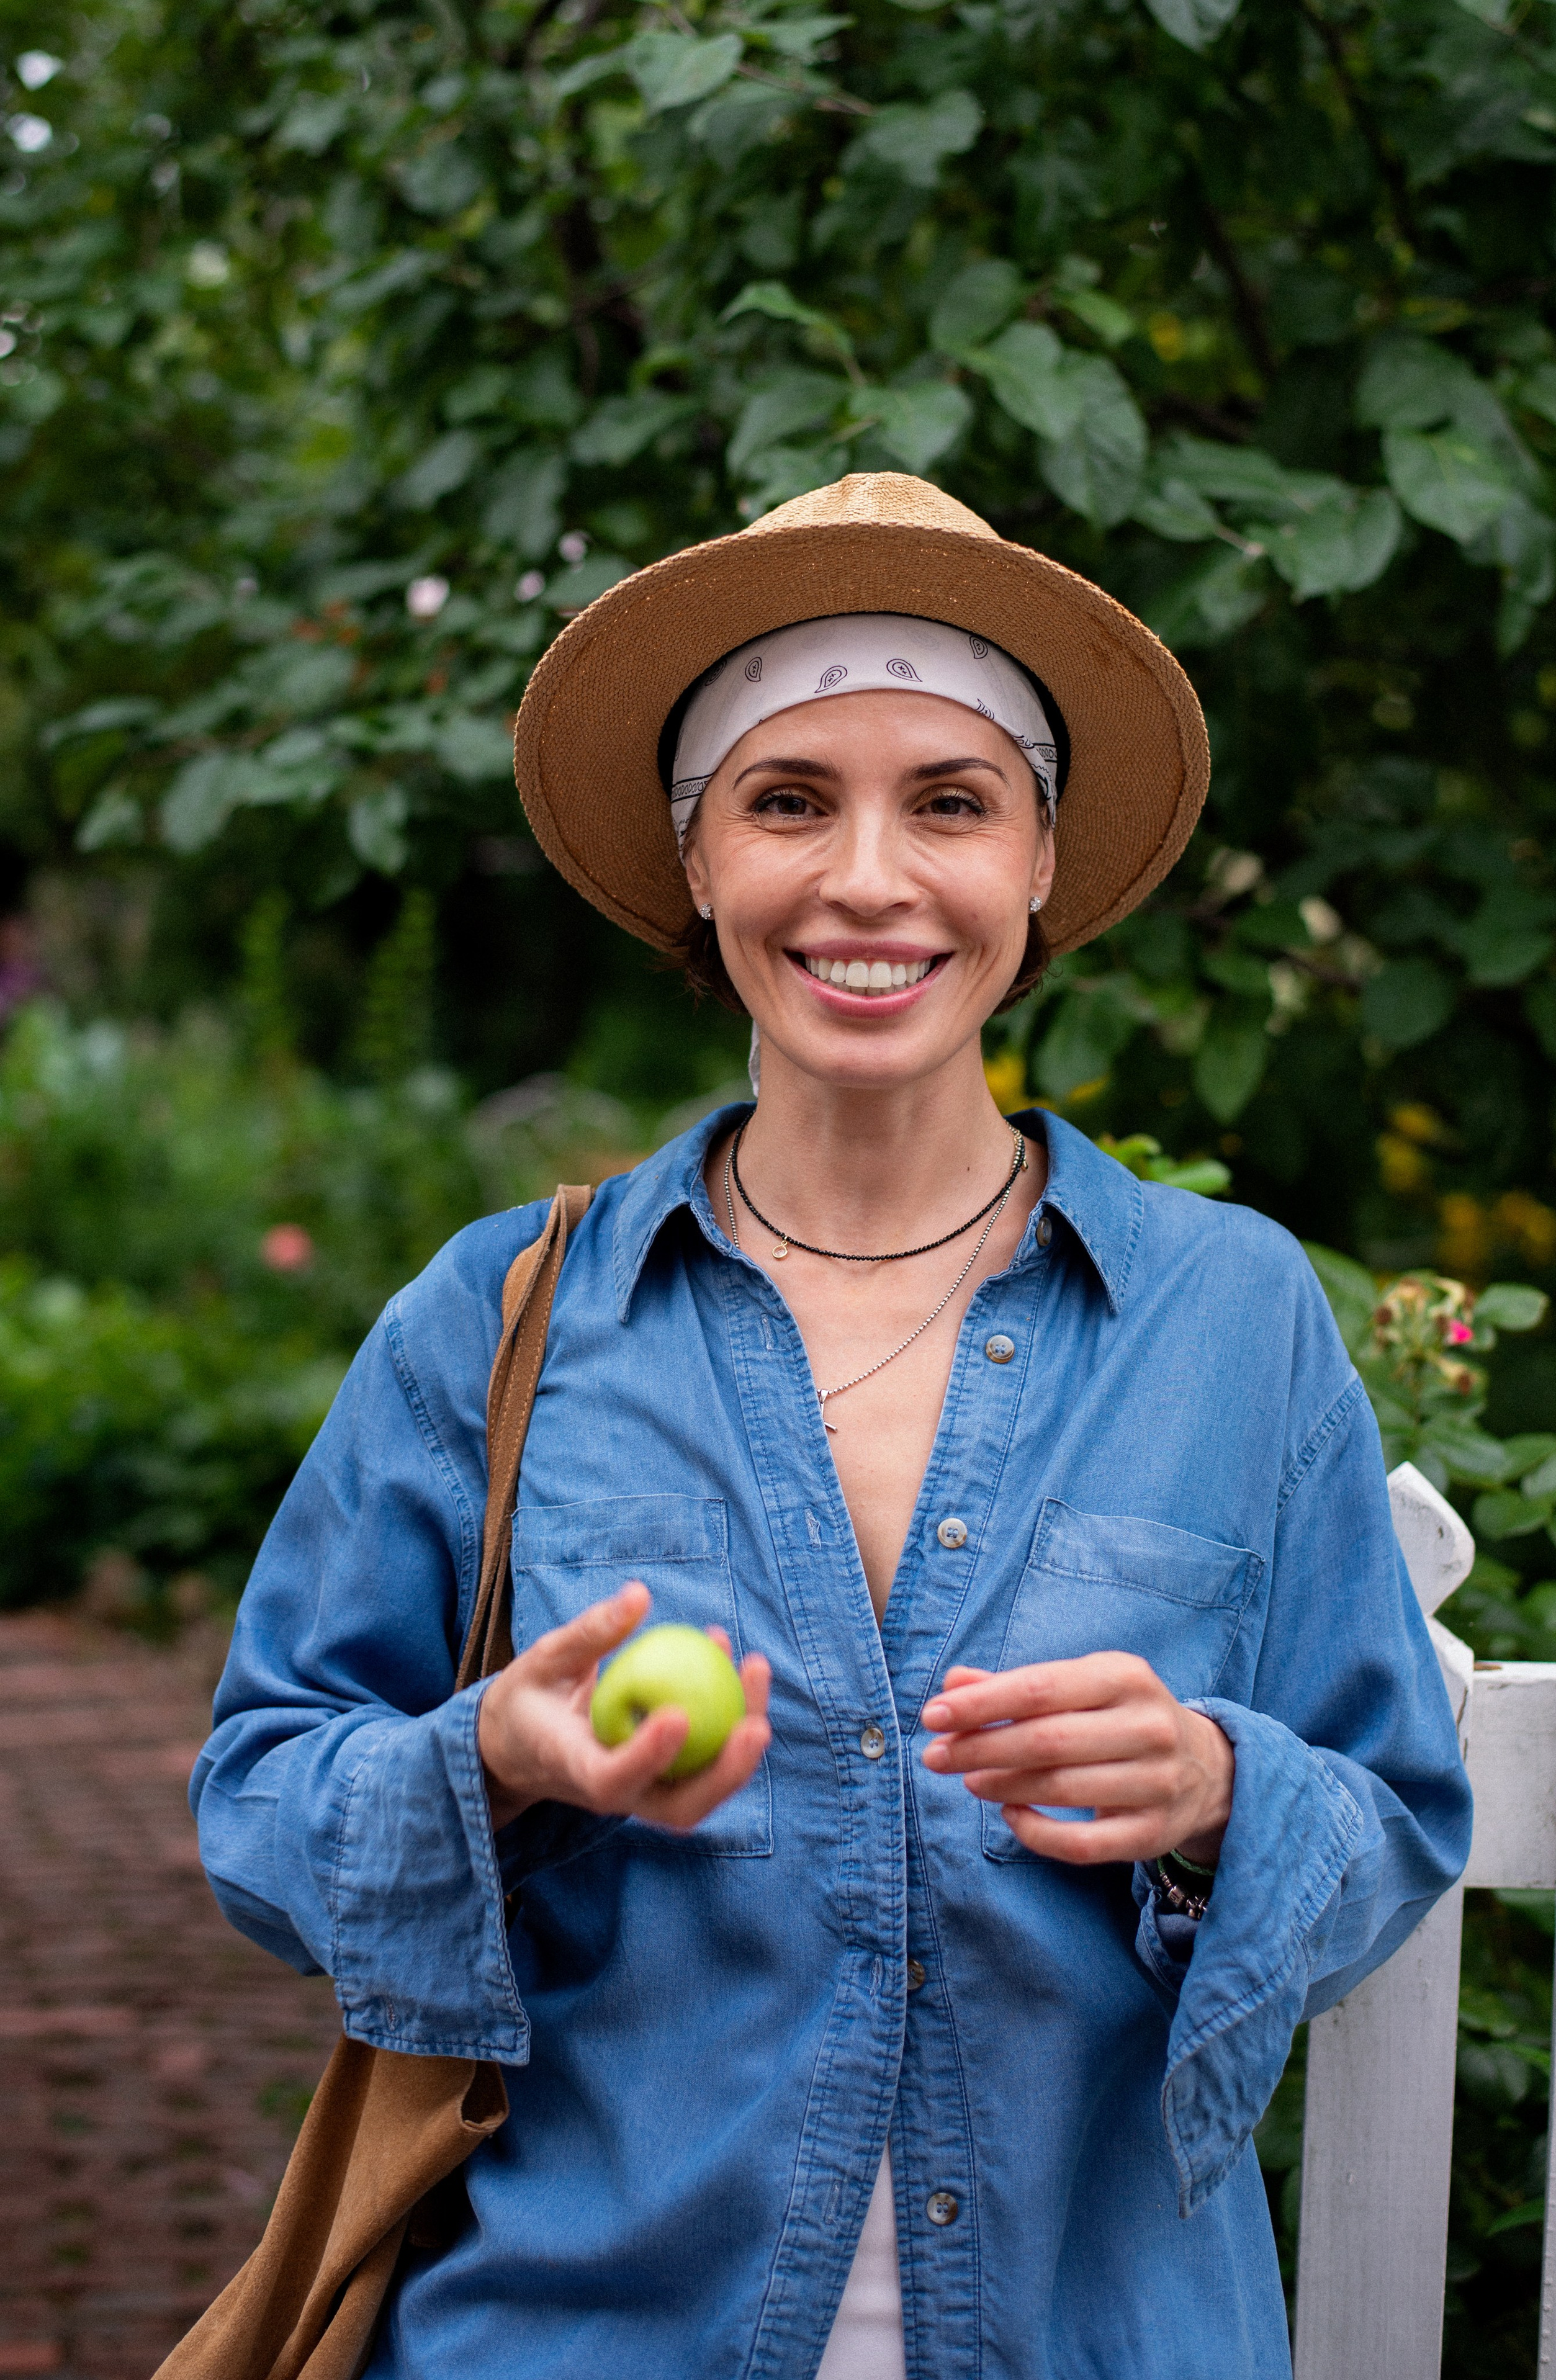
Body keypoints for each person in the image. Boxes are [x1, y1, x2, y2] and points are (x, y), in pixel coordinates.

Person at [191, 474, 1472, 2380]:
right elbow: (262, 1798)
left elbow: (1393, 1813)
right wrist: (497, 1757)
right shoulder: (498, 1320)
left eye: (950, 802)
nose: (868, 878)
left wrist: (1218, 1789)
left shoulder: (1234, 1315)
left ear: (1039, 862)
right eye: (790, 800)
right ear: (700, 866)